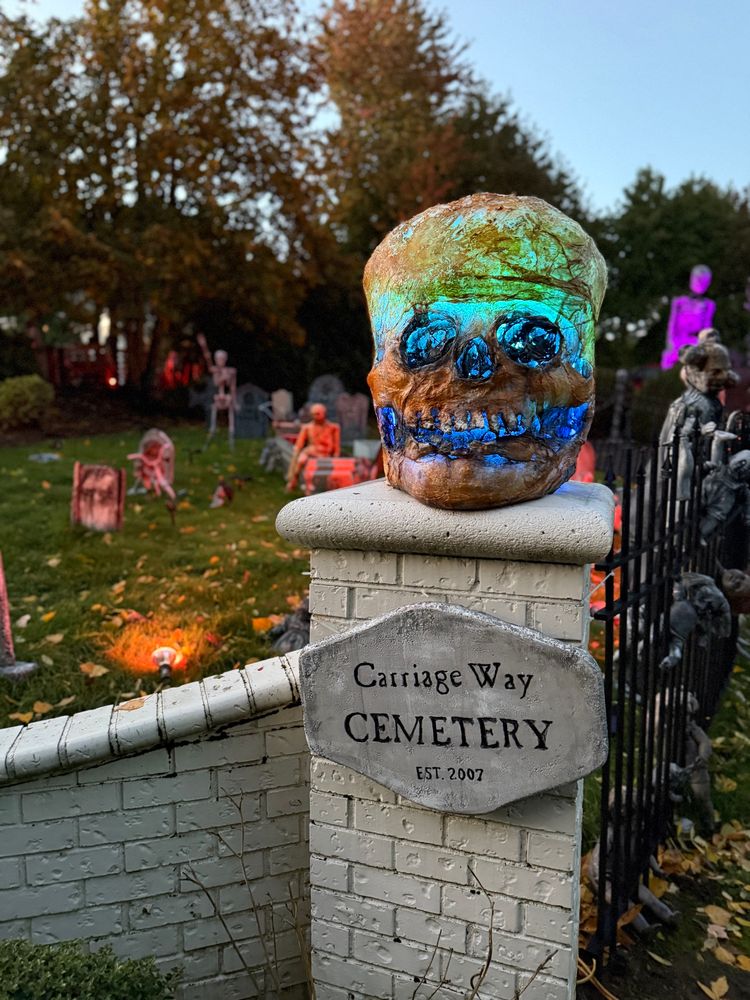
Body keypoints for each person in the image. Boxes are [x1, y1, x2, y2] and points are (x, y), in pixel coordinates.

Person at [286, 403, 341, 490]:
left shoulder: (333, 427)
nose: (315, 416)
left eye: (318, 414)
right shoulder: (307, 427)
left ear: (324, 413)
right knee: (301, 460)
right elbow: (299, 444)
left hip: (325, 453)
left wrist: (336, 456)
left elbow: (336, 445)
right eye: (313, 414)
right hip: (311, 451)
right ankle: (294, 479)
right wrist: (297, 452)